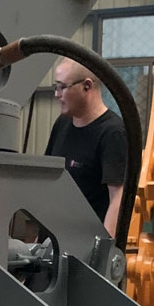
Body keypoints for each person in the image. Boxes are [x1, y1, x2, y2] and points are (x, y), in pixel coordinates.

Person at [44, 59, 127, 238]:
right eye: (55, 87)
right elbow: (49, 181)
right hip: (53, 241)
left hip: (84, 244)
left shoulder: (112, 133)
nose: (57, 94)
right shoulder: (62, 124)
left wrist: (104, 250)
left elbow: (117, 198)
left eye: (62, 87)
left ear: (87, 86)